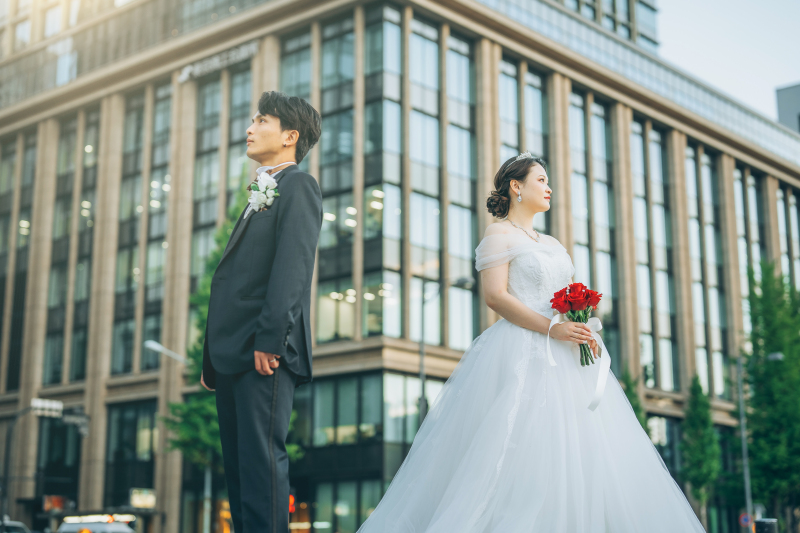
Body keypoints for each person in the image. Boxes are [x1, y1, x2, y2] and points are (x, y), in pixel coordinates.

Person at [356, 153, 706, 532]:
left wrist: (577, 322)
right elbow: (496, 297)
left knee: (585, 451)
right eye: (541, 179)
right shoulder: (499, 233)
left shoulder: (553, 242)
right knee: (515, 449)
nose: (549, 186)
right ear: (516, 187)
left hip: (567, 355)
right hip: (521, 348)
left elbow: (559, 294)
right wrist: (551, 327)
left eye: (548, 180)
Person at [200, 91, 322, 532]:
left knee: (261, 467)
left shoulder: (298, 186)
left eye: (260, 121)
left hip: (263, 350)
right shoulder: (260, 191)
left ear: (290, 136)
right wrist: (210, 359)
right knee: (239, 471)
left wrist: (270, 340)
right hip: (233, 353)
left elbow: (292, 268)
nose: (249, 128)